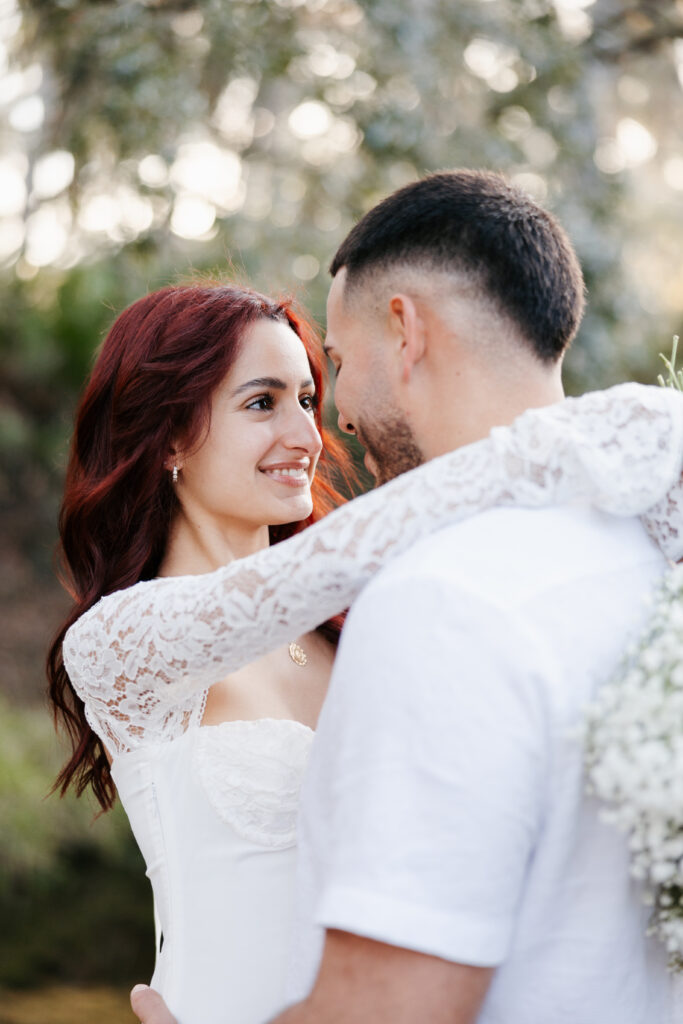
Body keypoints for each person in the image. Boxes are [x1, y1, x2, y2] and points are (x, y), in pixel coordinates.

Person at [129, 170, 682, 1024]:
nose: (333, 425)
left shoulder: (442, 601)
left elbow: (388, 1007)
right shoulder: (647, 563)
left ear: (405, 331)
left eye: (335, 371)